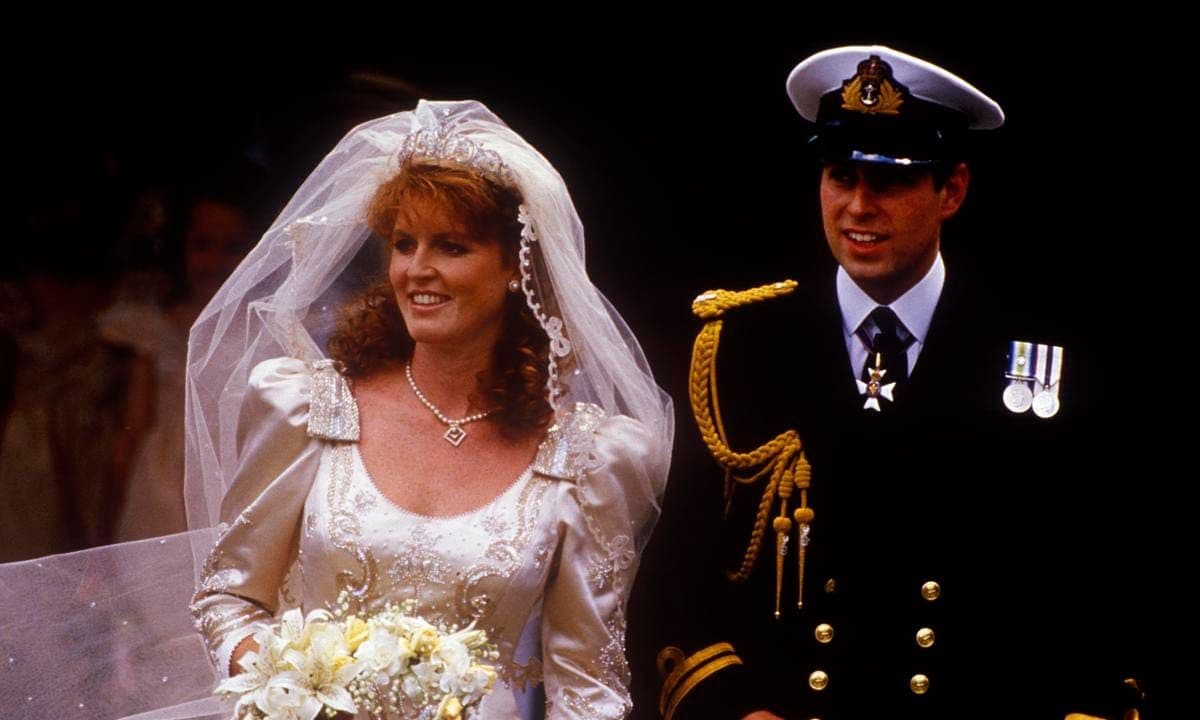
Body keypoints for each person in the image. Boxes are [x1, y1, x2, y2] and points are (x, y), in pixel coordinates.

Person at [0, 100, 672, 720]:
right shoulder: (309, 408)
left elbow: (588, 690)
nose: (418, 269)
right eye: (405, 244)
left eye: (453, 246)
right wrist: (296, 691)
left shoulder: (586, 460)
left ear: (514, 269)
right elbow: (230, 599)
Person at [632, 46, 1155, 719]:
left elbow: (1104, 586)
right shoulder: (739, 346)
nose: (858, 206)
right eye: (840, 175)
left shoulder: (1045, 351)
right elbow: (675, 581)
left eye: (891, 180)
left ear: (953, 191)